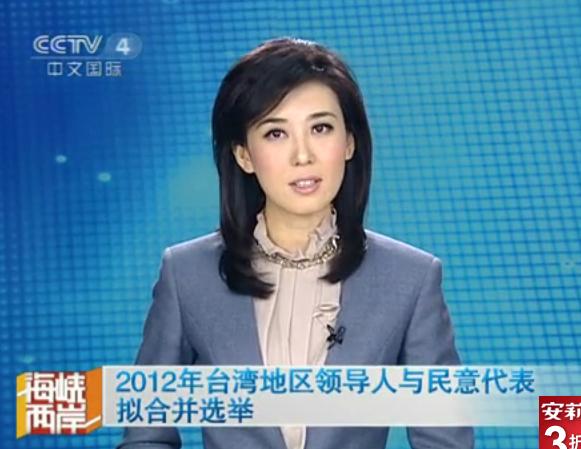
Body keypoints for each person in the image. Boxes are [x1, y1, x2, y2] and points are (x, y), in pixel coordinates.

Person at [116, 37, 474, 449]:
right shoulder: (187, 274)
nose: (302, 155)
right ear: (243, 155)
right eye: (275, 133)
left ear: (350, 141)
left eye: (320, 128)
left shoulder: (410, 278)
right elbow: (146, 434)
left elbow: (445, 441)